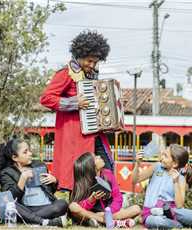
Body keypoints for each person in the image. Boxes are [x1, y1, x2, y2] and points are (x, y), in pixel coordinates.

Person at [40, 30, 114, 191]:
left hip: (95, 133)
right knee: (79, 177)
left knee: (107, 171)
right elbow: (46, 98)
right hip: (74, 135)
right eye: (89, 61)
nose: (92, 65)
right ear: (80, 55)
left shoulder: (92, 75)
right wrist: (74, 103)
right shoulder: (65, 73)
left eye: (95, 62)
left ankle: (104, 210)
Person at [0, 138, 68, 227]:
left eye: (29, 151)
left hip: (46, 206)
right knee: (8, 203)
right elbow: (10, 198)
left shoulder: (39, 165)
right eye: (25, 152)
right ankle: (46, 222)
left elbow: (50, 191)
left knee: (62, 203)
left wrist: (54, 181)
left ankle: (30, 219)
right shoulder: (7, 172)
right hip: (25, 208)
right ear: (14, 157)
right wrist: (22, 179)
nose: (30, 154)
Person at [69, 152, 141, 228]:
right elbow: (78, 207)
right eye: (96, 158)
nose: (99, 156)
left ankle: (99, 220)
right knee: (73, 207)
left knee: (137, 208)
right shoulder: (83, 182)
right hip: (89, 213)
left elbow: (118, 198)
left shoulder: (108, 174)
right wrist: (91, 200)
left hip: (109, 212)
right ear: (91, 166)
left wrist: (109, 211)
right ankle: (107, 221)